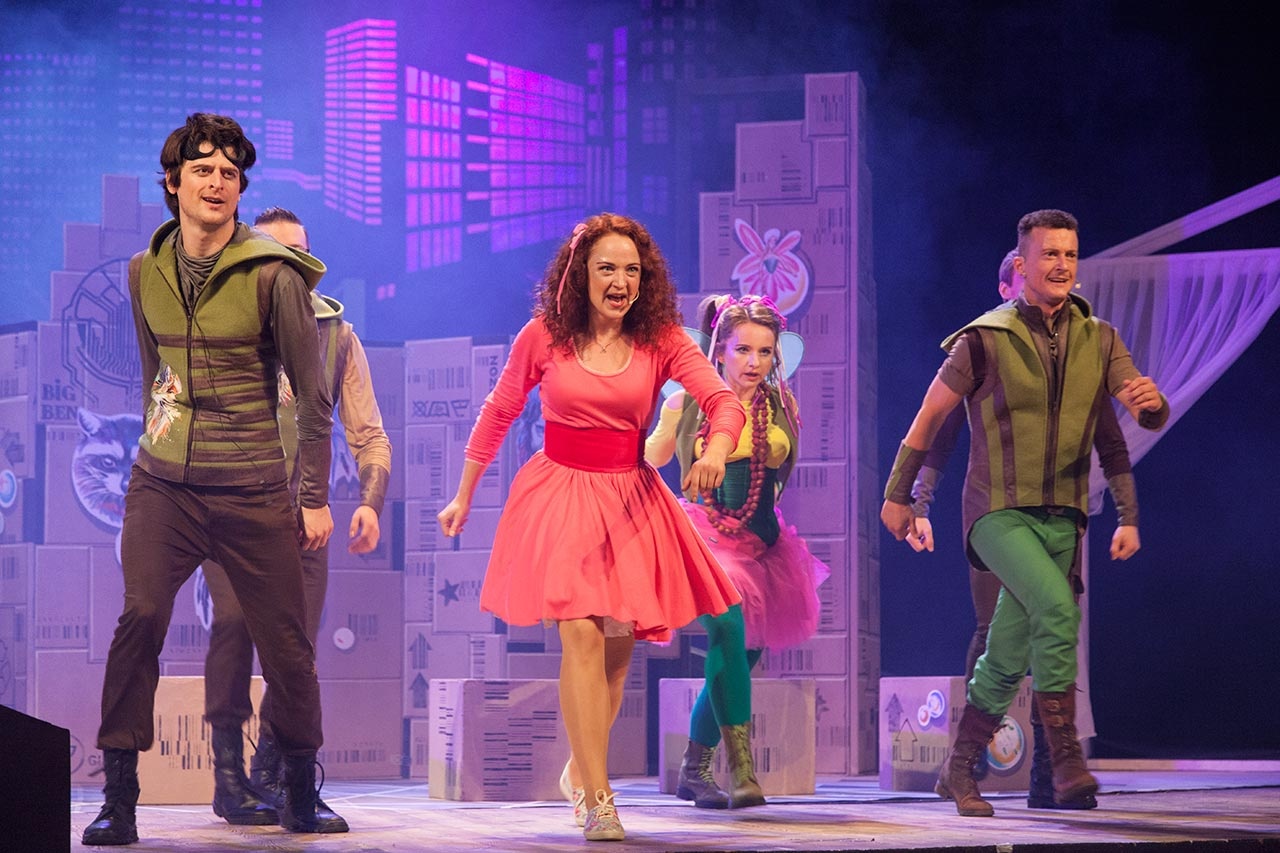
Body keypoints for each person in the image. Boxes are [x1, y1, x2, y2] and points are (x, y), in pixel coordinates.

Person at [437, 213, 745, 842]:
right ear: (580, 274)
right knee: (579, 633)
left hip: (630, 501)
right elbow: (499, 410)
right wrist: (463, 493)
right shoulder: (544, 336)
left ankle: (582, 769)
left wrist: (715, 451)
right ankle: (599, 799)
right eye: (607, 268)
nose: (620, 281)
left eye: (632, 270)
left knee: (615, 653)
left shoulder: (661, 339)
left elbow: (723, 401)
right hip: (562, 494)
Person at [83, 114, 338, 846]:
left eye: (230, 173)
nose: (218, 182)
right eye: (203, 170)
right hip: (165, 484)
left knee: (285, 640)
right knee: (140, 618)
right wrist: (152, 452)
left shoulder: (273, 275)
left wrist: (312, 496)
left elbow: (312, 398)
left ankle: (299, 787)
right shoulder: (144, 270)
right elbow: (152, 376)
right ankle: (119, 797)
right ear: (173, 183)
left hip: (251, 485)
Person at [881, 209, 1169, 818]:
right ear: (1022, 264)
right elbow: (931, 420)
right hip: (998, 512)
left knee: (1009, 649)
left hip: (1064, 517)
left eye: (1070, 254)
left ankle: (959, 767)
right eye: (1049, 254)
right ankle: (1065, 761)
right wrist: (901, 495)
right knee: (1056, 611)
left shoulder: (1100, 338)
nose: (1062, 264)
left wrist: (1153, 405)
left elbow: (1132, 412)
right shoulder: (983, 339)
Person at [198, 207, 390, 832]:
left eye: (298, 256)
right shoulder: (219, 325)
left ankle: (280, 775)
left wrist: (369, 500)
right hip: (229, 508)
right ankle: (230, 778)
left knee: (296, 651)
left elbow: (369, 433)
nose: (287, 269)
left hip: (303, 516)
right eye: (272, 254)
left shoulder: (337, 335)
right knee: (234, 624)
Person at [645, 293, 829, 809]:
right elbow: (647, 459)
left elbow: (778, 472)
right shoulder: (685, 403)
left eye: (765, 352)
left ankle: (694, 768)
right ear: (720, 350)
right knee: (728, 627)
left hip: (764, 545)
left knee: (739, 658)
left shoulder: (780, 406)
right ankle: (743, 772)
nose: (754, 362)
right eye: (743, 350)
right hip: (708, 537)